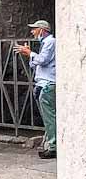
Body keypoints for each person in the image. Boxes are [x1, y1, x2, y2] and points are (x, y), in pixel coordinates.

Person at [15, 20, 57, 159]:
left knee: (49, 117)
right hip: (43, 83)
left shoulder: (50, 42)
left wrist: (30, 53)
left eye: (34, 29)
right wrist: (30, 55)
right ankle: (51, 143)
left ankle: (53, 146)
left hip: (47, 83)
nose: (32, 32)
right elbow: (36, 64)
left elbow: (43, 60)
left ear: (42, 30)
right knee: (48, 116)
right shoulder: (45, 43)